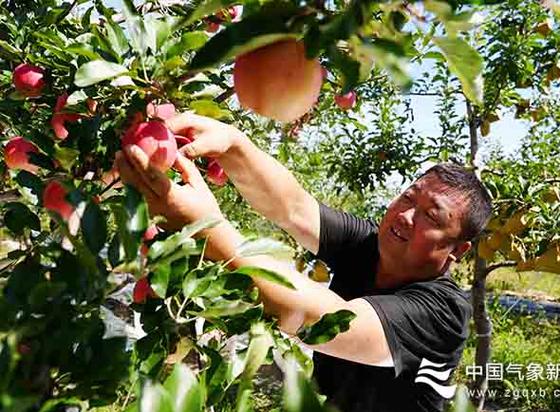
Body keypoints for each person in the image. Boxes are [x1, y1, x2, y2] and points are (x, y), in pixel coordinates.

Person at [115, 113, 493, 412]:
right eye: (409, 197)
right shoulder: (369, 244)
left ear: (456, 251)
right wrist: (233, 144)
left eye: (432, 216)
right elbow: (293, 208)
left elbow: (321, 322)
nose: (407, 215)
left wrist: (206, 227)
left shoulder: (441, 312)